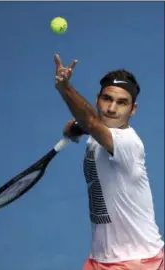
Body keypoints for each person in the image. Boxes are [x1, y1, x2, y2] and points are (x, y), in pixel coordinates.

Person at [54, 54, 164, 270]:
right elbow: (91, 125)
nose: (112, 109)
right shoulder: (101, 135)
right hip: (101, 259)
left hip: (137, 262)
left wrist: (65, 88)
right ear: (97, 99)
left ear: (133, 110)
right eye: (107, 99)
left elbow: (92, 123)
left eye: (122, 103)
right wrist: (77, 128)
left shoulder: (129, 143)